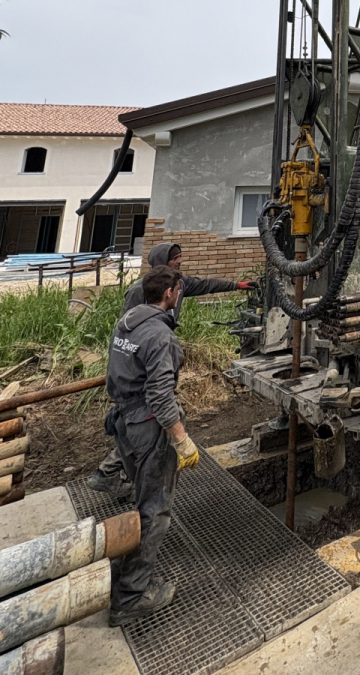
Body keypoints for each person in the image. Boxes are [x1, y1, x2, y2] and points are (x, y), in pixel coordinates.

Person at [88, 242, 256, 495]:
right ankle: (125, 482)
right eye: (174, 258)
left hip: (156, 353)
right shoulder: (139, 291)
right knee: (147, 419)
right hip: (140, 360)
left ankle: (117, 475)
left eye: (179, 257)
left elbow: (205, 284)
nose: (179, 262)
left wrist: (237, 285)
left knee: (145, 418)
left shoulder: (179, 282)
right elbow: (126, 329)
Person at [106, 264, 200, 626]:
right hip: (147, 428)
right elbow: (161, 396)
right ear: (170, 294)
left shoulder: (127, 322)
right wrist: (181, 440)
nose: (180, 294)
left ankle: (125, 571)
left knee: (141, 498)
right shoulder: (160, 337)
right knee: (155, 509)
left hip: (123, 424)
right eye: (179, 289)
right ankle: (131, 596)